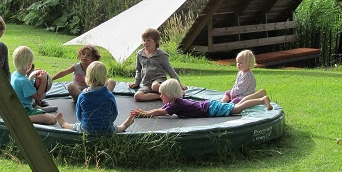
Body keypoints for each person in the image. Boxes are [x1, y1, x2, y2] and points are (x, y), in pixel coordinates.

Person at [130, 79, 272, 119]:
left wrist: (145, 113)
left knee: (237, 108)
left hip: (210, 108)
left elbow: (160, 112)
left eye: (162, 94)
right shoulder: (175, 102)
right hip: (208, 106)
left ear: (171, 95)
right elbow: (162, 109)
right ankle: (260, 97)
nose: (160, 96)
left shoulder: (175, 104)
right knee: (236, 106)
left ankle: (261, 100)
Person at [56, 61, 134, 134]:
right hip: (106, 129)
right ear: (105, 78)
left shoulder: (83, 96)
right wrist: (109, 122)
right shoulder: (109, 95)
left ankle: (64, 124)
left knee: (76, 126)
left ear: (87, 78)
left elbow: (79, 115)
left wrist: (84, 123)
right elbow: (114, 113)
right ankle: (124, 126)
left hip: (87, 129)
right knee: (117, 129)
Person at [129, 28, 186, 102]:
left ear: (156, 41)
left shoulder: (161, 55)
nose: (145, 43)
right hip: (147, 84)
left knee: (155, 86)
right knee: (137, 96)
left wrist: (179, 85)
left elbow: (170, 70)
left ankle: (174, 93)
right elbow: (138, 70)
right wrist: (136, 82)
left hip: (159, 81)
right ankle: (162, 96)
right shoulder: (140, 54)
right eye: (144, 40)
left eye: (148, 40)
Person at [52, 45, 116, 103]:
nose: (84, 56)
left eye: (88, 55)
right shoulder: (76, 66)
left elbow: (101, 80)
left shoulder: (95, 68)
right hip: (79, 93)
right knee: (70, 86)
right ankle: (88, 100)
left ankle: (107, 99)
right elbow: (64, 72)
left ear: (94, 59)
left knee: (111, 81)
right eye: (83, 54)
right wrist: (51, 79)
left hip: (93, 91)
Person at [10, 46, 56, 125]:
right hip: (24, 109)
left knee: (50, 116)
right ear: (29, 64)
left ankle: (37, 111)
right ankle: (22, 118)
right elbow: (38, 98)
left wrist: (36, 76)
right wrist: (44, 81)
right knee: (52, 119)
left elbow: (29, 83)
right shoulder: (24, 81)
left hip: (15, 107)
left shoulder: (15, 74)